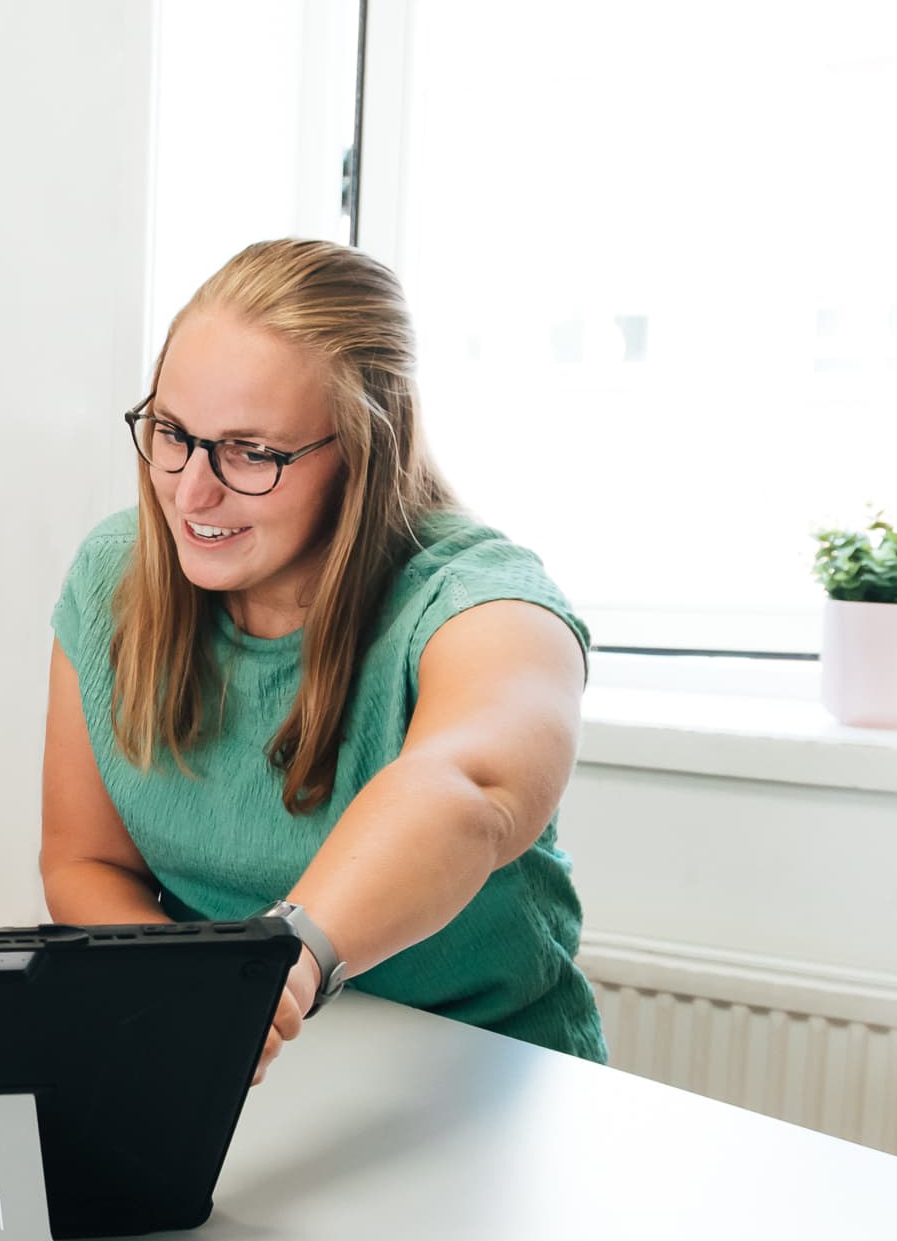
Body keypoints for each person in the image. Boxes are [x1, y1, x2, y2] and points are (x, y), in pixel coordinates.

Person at [40, 238, 601, 1080]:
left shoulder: (485, 602)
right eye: (171, 432)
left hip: (479, 1077)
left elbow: (469, 790)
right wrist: (189, 1006)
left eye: (251, 452)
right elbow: (84, 862)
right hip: (242, 1064)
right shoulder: (113, 575)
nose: (192, 490)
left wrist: (282, 966)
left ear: (364, 455)